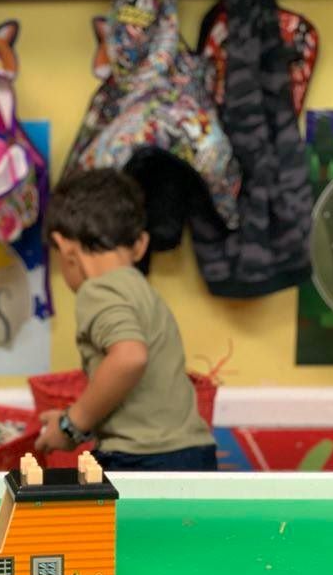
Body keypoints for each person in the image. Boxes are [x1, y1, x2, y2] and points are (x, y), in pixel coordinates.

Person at [34, 168, 218, 471]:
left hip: (141, 460)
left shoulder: (98, 290)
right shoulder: (141, 289)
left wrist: (71, 425)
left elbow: (129, 357)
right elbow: (135, 403)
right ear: (140, 244)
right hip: (192, 451)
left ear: (66, 249)